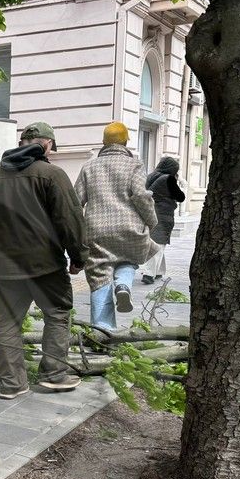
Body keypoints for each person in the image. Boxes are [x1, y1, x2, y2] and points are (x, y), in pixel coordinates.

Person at [0, 122, 88, 399]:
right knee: (57, 314)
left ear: (21, 143)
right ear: (46, 144)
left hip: (5, 268)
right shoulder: (52, 175)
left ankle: (12, 384)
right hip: (45, 265)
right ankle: (53, 375)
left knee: (8, 323)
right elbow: (70, 220)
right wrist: (78, 257)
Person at [74, 122, 158, 332]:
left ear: (104, 142)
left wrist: (78, 231)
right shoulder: (134, 165)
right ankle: (123, 284)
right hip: (129, 228)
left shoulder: (89, 166)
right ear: (126, 141)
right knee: (129, 259)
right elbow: (141, 196)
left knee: (100, 274)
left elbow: (76, 201)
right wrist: (151, 221)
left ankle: (102, 331)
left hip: (97, 230)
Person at [139, 156, 186, 284]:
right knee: (158, 242)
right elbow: (181, 197)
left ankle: (159, 271)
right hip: (163, 214)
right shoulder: (169, 179)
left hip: (149, 213)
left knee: (157, 240)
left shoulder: (150, 176)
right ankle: (148, 274)